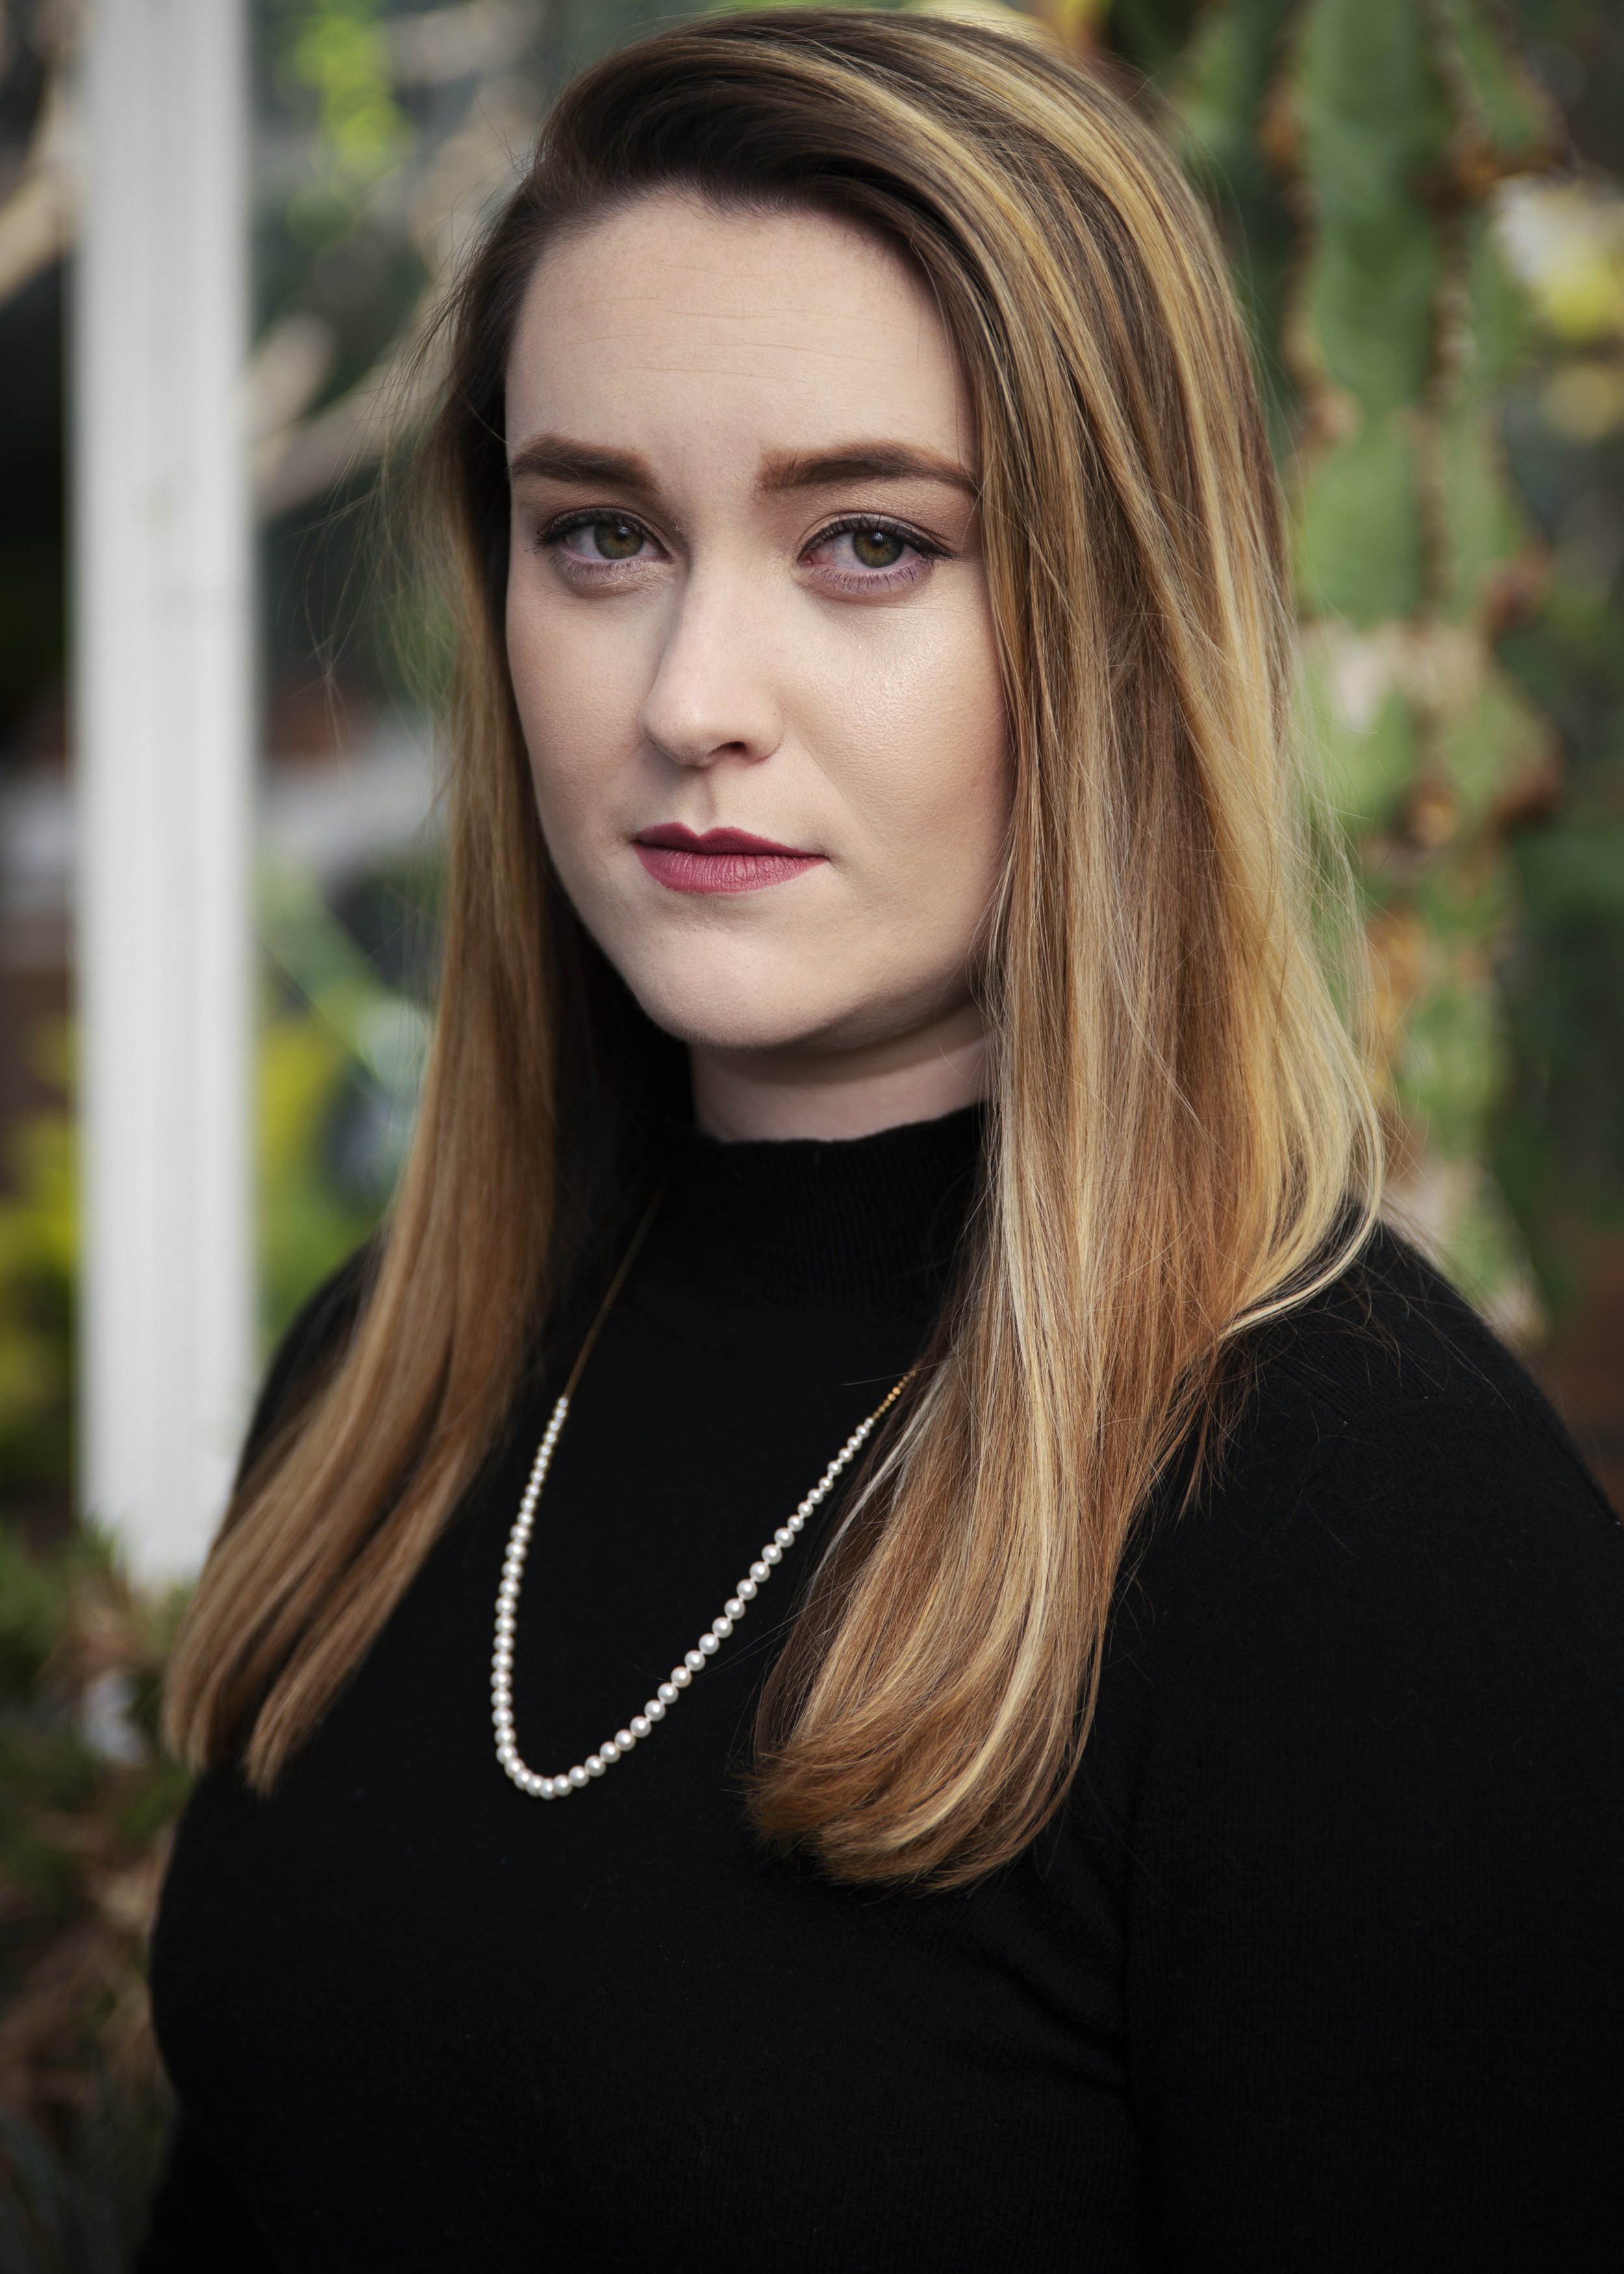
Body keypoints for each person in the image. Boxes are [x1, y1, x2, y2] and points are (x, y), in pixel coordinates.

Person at [140, 14, 1623, 2269]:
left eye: (864, 542)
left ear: (1118, 626)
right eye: (601, 533)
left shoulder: (1371, 1536)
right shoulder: (387, 1394)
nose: (686, 696)